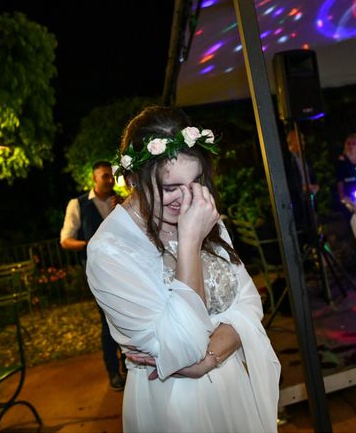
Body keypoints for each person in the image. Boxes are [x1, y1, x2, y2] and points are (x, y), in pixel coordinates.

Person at [86, 106, 281, 432]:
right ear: (133, 179)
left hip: (232, 387)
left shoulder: (203, 213)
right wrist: (189, 242)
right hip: (173, 403)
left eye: (195, 181)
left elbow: (250, 300)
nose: (186, 197)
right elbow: (183, 348)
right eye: (169, 187)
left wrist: (209, 358)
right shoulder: (110, 250)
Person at [60, 161, 126, 390]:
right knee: (108, 319)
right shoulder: (78, 204)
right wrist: (91, 245)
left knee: (128, 315)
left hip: (126, 269)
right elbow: (65, 240)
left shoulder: (123, 200)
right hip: (97, 272)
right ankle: (113, 371)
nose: (110, 180)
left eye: (111, 176)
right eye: (105, 176)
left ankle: (130, 364)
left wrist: (125, 210)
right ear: (94, 179)